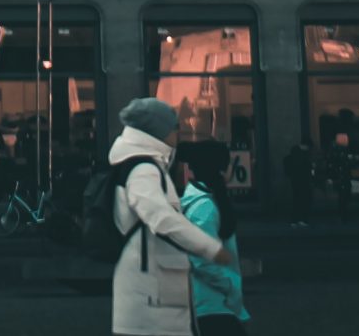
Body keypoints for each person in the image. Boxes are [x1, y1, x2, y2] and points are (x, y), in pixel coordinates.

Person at [103, 98, 234, 336]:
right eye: (174, 127)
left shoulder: (146, 166)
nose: (177, 132)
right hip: (151, 292)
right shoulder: (144, 170)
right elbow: (161, 217)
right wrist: (209, 248)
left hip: (155, 288)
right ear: (157, 131)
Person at [178, 141, 250, 335]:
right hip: (211, 303)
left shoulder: (200, 204)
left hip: (207, 303)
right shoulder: (205, 208)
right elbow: (202, 260)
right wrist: (229, 287)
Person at [282, 140, 313, 225]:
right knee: (303, 201)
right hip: (302, 182)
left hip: (295, 182)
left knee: (296, 201)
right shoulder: (303, 158)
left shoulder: (290, 158)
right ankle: (301, 219)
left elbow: (288, 171)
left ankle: (295, 220)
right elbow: (307, 170)